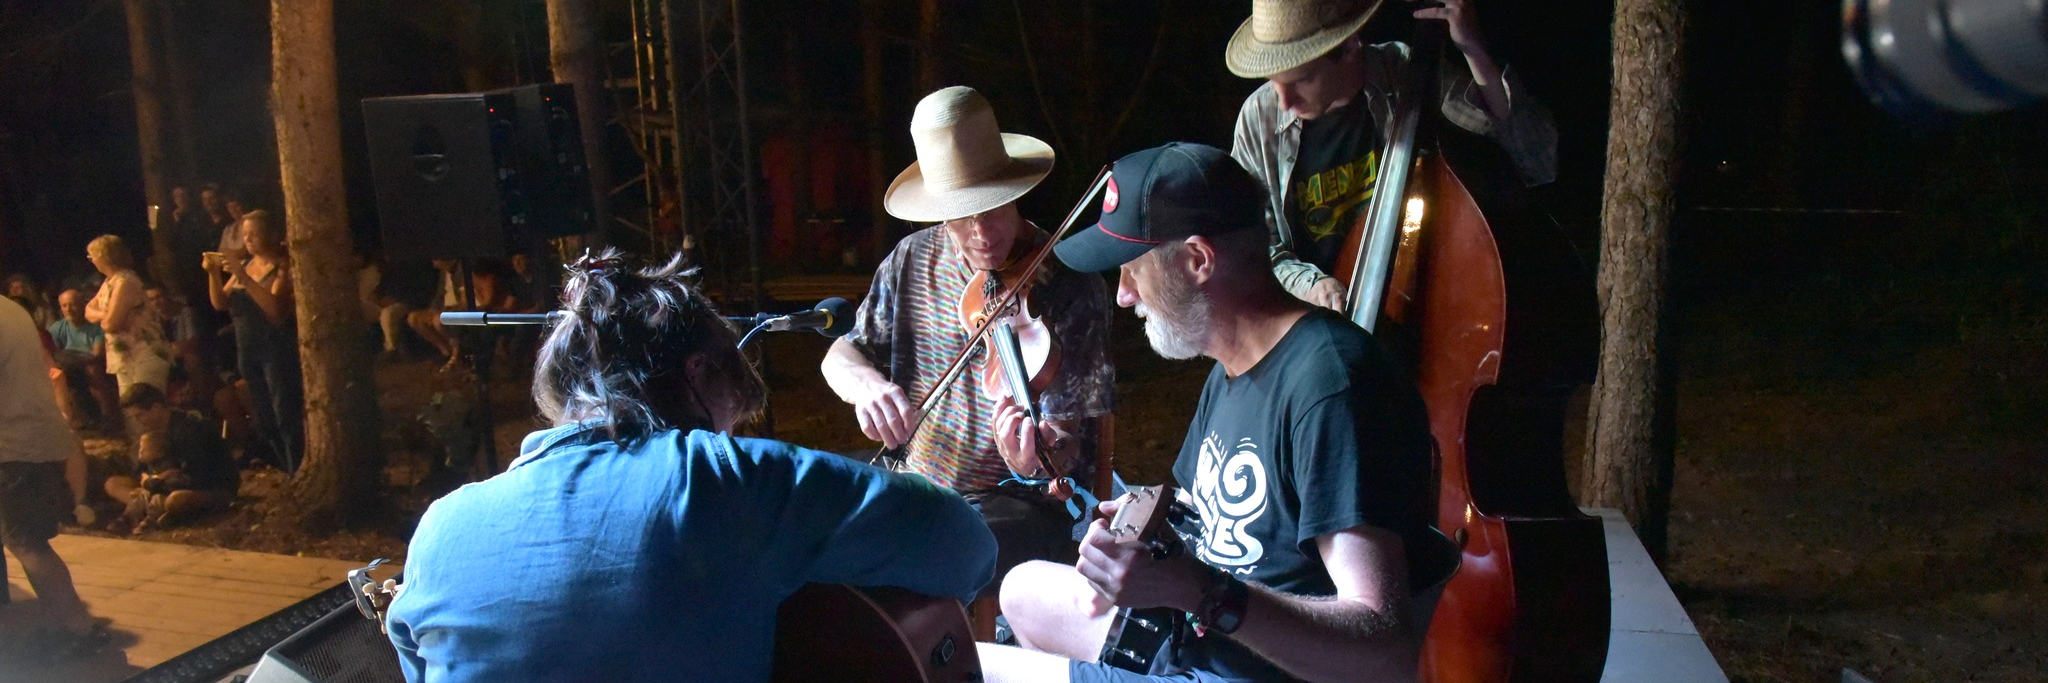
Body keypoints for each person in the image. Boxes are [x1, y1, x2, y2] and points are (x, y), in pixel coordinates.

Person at [383, 250, 998, 683]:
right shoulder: (721, 481)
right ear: (698, 377)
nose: (725, 439)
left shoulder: (439, 529)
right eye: (726, 423)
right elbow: (965, 544)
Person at [977, 143, 1435, 683]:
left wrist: (1199, 590)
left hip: (1242, 669)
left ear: (1198, 260)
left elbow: (1385, 649)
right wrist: (1120, 516)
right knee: (1022, 591)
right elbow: (1201, 519)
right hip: (1194, 641)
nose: (1124, 296)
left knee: (964, 663)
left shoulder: (1332, 387)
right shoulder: (1231, 369)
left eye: (1132, 269)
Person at [820, 86, 1115, 585]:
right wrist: (865, 386)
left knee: (918, 551)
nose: (982, 231)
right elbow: (841, 353)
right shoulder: (911, 259)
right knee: (814, 523)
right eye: (963, 212)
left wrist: (1035, 460)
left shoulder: (1069, 282)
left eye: (994, 206)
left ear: (1015, 189)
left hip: (1016, 501)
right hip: (916, 479)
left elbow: (1067, 445)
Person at [1227, 0, 1557, 311]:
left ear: (1350, 47)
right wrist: (1310, 285)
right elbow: (1251, 246)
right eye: (1274, 81)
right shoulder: (1259, 118)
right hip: (1319, 318)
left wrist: (1473, 50)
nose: (1283, 102)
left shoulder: (1402, 72)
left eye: (1303, 80)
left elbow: (1536, 159)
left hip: (1423, 293)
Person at [0, 295, 109, 657]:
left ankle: (80, 628)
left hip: (13, 446)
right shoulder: (10, 308)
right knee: (25, 540)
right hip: (33, 438)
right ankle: (54, 625)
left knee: (26, 542)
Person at [205, 210, 303, 474]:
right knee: (264, 416)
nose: (248, 240)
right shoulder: (246, 266)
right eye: (244, 234)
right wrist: (214, 274)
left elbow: (275, 312)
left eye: (254, 234)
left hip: (275, 349)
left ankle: (298, 466)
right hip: (247, 349)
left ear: (271, 235)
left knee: (285, 413)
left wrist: (244, 278)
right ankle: (284, 467)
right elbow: (220, 303)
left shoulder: (282, 268)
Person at [105, 384, 236, 531]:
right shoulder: (148, 432)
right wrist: (148, 481)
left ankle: (156, 509)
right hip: (159, 485)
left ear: (155, 408)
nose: (137, 421)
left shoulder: (190, 428)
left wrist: (157, 483)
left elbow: (194, 476)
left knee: (176, 500)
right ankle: (151, 510)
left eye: (140, 415)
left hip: (203, 487)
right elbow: (140, 468)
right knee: (113, 484)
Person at [84, 235, 172, 395]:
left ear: (103, 256)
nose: (90, 260)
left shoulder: (126, 281)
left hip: (144, 353)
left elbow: (110, 324)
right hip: (124, 358)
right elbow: (88, 311)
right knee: (130, 412)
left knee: (147, 406)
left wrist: (106, 317)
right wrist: (107, 313)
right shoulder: (108, 282)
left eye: (92, 256)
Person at [47, 289, 119, 426]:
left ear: (83, 304)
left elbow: (97, 354)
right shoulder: (58, 328)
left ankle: (108, 417)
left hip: (92, 364)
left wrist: (75, 362)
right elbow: (51, 351)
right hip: (68, 365)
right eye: (64, 305)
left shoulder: (95, 327)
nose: (69, 309)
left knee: (93, 371)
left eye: (73, 305)